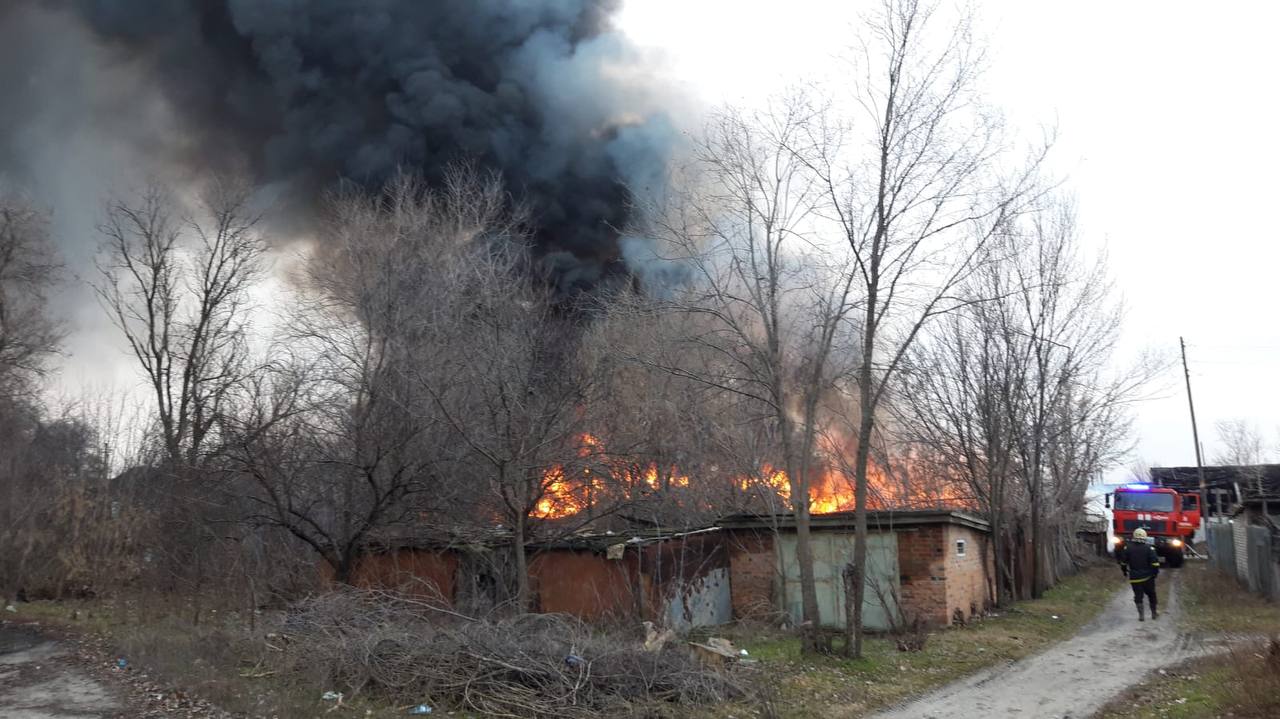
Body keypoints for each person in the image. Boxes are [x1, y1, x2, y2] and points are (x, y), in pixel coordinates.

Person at [1118, 527, 1160, 621]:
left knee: (1138, 595)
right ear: (1145, 537)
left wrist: (1124, 572)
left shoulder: (1127, 548)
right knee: (1151, 594)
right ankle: (1154, 613)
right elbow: (1155, 563)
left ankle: (1141, 615)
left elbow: (1123, 563)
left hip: (1135, 577)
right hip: (1148, 577)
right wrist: (1155, 574)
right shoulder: (1150, 548)